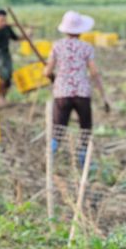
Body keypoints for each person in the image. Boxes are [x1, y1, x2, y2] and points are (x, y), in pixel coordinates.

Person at [43, 11, 110, 163]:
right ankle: (83, 160)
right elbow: (94, 72)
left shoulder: (57, 46)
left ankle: (49, 159)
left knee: (58, 129)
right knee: (85, 128)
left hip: (62, 93)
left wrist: (50, 75)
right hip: (82, 93)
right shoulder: (86, 48)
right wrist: (103, 95)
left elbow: (47, 71)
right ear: (80, 30)